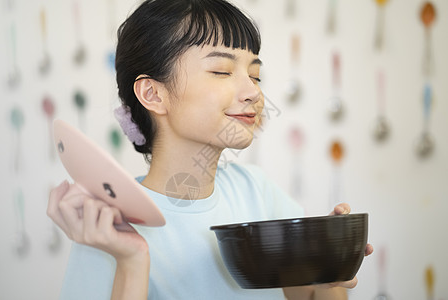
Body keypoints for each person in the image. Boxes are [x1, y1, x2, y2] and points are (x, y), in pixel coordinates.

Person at [47, 0, 373, 299]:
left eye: (255, 75)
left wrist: (326, 259)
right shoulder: (109, 225)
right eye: (222, 71)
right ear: (153, 94)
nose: (253, 93)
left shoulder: (254, 189)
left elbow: (308, 295)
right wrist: (131, 259)